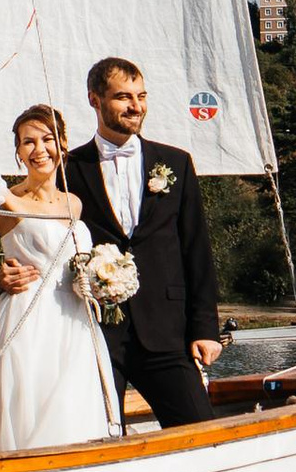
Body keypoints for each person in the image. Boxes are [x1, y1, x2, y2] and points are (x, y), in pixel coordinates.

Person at [33, 54, 224, 431]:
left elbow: (196, 250)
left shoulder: (177, 163)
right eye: (124, 97)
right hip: (95, 332)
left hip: (167, 331)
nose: (136, 106)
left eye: (141, 96)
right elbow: (43, 241)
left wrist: (206, 328)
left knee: (202, 434)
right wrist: (7, 279)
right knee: (100, 434)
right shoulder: (69, 169)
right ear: (95, 100)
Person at [0, 101, 122, 453]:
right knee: (32, 411)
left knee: (76, 406)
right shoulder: (6, 201)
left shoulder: (75, 204)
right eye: (28, 142)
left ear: (62, 145)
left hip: (76, 321)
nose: (39, 149)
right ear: (18, 153)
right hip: (29, 323)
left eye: (47, 139)